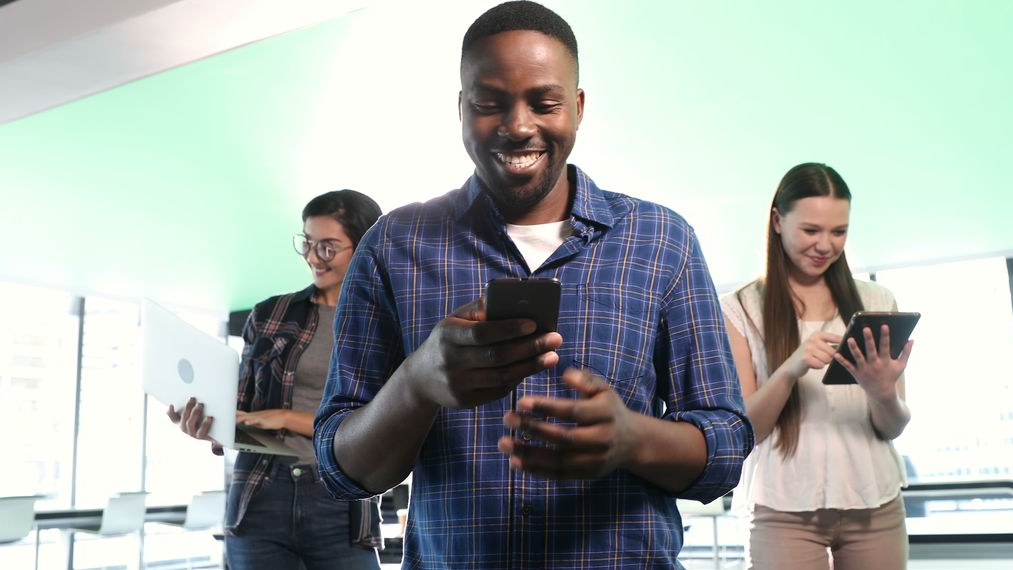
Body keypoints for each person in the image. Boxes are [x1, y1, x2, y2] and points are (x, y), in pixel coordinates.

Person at [313, 2, 753, 568]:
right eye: (490, 103)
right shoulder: (393, 244)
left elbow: (725, 445)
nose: (518, 126)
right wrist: (416, 383)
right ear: (462, 109)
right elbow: (341, 468)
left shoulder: (662, 240)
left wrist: (634, 439)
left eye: (543, 103)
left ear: (577, 106)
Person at [167, 189, 384, 570]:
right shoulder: (271, 314)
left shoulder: (384, 323)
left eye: (329, 247)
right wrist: (214, 423)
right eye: (308, 243)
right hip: (260, 495)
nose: (314, 258)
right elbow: (246, 409)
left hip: (341, 502)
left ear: (365, 245)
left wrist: (285, 418)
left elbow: (380, 423)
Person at [720, 163, 914, 570]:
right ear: (777, 221)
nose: (825, 245)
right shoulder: (739, 308)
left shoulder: (877, 302)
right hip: (782, 507)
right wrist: (790, 368)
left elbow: (893, 426)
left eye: (838, 232)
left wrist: (881, 391)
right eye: (811, 230)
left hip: (875, 502)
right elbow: (745, 430)